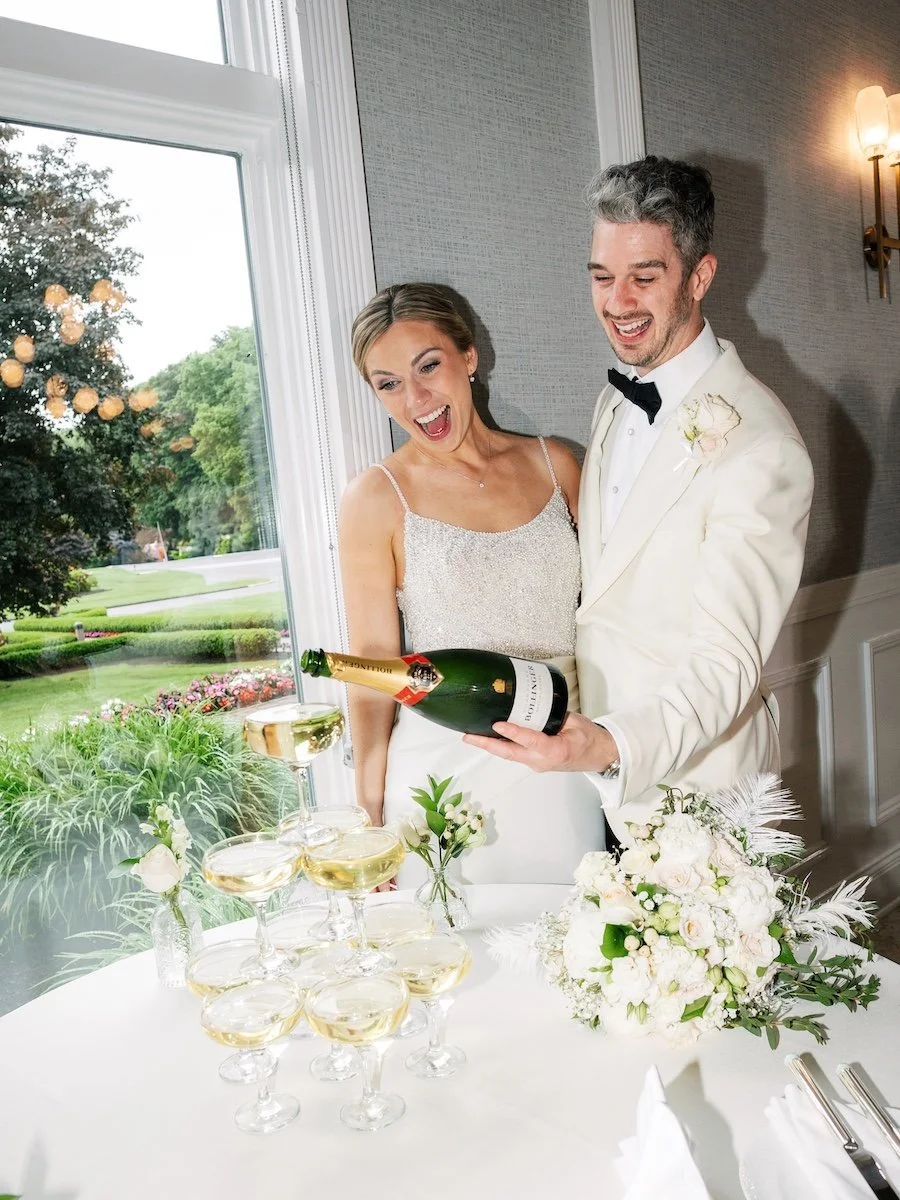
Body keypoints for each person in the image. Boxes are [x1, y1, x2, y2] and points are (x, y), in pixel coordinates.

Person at [465, 156, 814, 842]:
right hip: (600, 789)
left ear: (701, 275)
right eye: (602, 276)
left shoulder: (763, 447)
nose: (617, 302)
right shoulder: (612, 402)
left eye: (644, 277)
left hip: (704, 803)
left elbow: (725, 666)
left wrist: (608, 745)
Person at [338, 282, 604, 885]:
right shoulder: (375, 498)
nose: (417, 398)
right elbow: (375, 660)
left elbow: (616, 613)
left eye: (428, 365)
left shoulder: (557, 464)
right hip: (442, 776)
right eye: (389, 383)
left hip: (560, 760)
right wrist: (369, 813)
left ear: (469, 357)